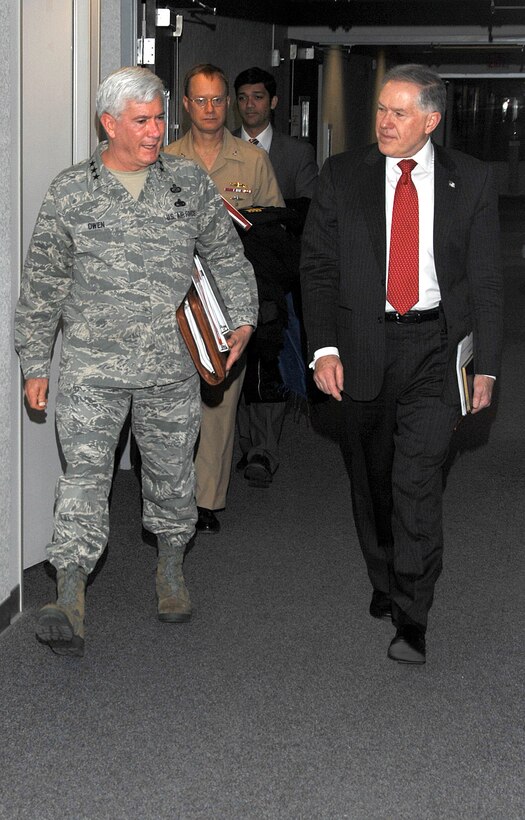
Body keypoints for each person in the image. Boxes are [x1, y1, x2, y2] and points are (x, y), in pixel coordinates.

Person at [14, 66, 257, 657]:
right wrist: (35, 362)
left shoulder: (187, 182)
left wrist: (244, 315)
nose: (156, 132)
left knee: (173, 475)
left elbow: (226, 253)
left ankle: (171, 571)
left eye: (158, 119)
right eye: (142, 121)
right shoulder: (70, 191)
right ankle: (69, 591)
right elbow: (42, 282)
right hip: (93, 370)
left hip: (170, 368)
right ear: (109, 123)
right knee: (83, 480)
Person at [300, 64, 503, 665]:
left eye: (399, 112)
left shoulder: (472, 179)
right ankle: (385, 572)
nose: (384, 122)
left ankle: (412, 614)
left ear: (431, 120)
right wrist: (324, 348)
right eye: (381, 111)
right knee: (373, 480)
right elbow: (317, 268)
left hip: (438, 349)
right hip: (363, 346)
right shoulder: (342, 176)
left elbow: (488, 279)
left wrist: (487, 365)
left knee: (416, 481)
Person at [164, 64, 284, 533]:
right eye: (201, 100)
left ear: (227, 105)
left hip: (227, 302)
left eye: (218, 100)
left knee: (218, 401)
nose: (210, 108)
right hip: (175, 299)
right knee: (173, 404)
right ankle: (171, 499)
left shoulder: (252, 161)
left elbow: (273, 236)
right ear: (186, 105)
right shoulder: (165, 158)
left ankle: (206, 501)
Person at [233, 66, 319, 485]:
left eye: (258, 97)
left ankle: (262, 451)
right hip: (225, 273)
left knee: (271, 358)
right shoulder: (221, 150)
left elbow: (307, 211)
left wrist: (266, 215)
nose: (250, 105)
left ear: (273, 102)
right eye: (243, 98)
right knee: (235, 362)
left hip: (274, 273)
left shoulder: (295, 153)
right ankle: (248, 443)